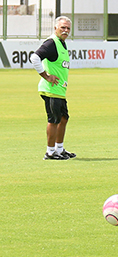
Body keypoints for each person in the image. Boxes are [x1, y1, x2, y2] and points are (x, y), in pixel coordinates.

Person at [31, 16, 75, 160]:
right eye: (63, 27)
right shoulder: (51, 43)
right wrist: (46, 75)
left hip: (59, 91)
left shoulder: (61, 43)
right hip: (50, 90)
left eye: (68, 28)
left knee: (63, 118)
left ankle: (59, 149)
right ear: (55, 28)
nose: (66, 30)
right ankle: (50, 152)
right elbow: (35, 57)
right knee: (54, 119)